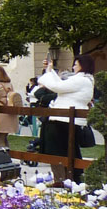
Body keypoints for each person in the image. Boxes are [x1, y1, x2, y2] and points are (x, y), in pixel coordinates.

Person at [39, 54, 96, 183]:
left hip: (63, 121)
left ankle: (65, 181)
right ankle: (70, 180)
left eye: (76, 64)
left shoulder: (81, 80)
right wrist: (49, 70)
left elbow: (57, 87)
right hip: (64, 120)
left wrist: (48, 73)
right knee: (68, 152)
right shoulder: (83, 80)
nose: (73, 67)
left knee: (58, 153)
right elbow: (60, 84)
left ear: (83, 65)